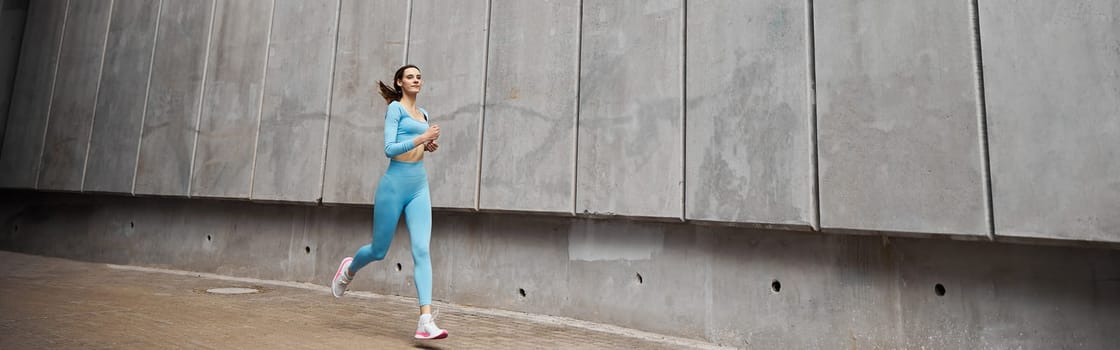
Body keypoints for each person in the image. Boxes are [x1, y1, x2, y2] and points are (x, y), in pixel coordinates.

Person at [331, 65, 447, 340]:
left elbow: (414, 145)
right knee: (379, 250)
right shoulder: (395, 109)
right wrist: (422, 137)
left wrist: (426, 146)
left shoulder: (424, 113)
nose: (416, 79)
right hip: (393, 186)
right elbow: (389, 149)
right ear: (399, 82)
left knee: (421, 249)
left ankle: (425, 320)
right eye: (410, 76)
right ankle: (349, 269)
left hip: (419, 186)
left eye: (419, 76)